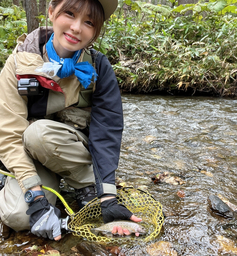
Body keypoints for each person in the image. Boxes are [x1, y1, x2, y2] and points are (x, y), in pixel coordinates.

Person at [0, 0, 142, 241]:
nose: (77, 27)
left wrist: (107, 196)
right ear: (52, 12)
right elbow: (9, 135)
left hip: (72, 150)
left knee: (39, 134)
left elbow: (106, 132)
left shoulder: (99, 67)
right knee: (18, 217)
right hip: (27, 155)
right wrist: (35, 198)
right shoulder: (18, 64)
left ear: (96, 31)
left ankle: (87, 187)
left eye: (89, 22)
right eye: (70, 13)